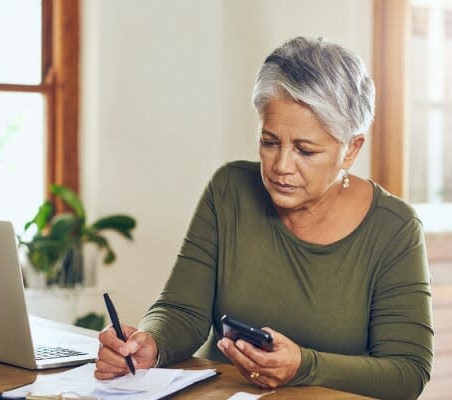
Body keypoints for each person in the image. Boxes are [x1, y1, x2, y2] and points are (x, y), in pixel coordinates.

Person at [94, 37, 433, 400]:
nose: (281, 167)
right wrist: (151, 343)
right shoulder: (229, 189)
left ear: (351, 148)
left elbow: (408, 371)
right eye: (270, 142)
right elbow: (181, 309)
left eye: (305, 150)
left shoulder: (395, 228)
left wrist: (304, 366)